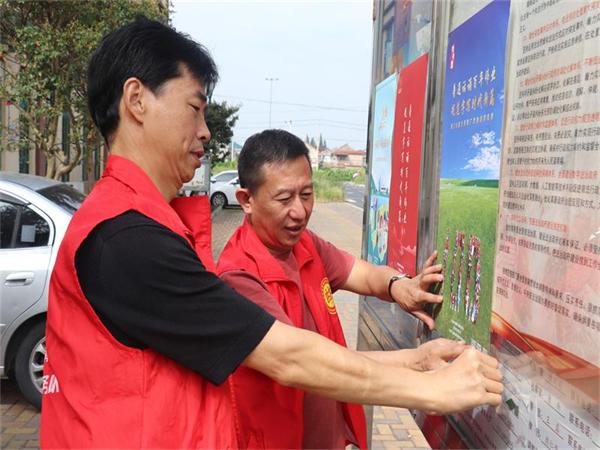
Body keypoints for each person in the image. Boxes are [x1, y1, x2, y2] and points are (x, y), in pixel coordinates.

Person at [40, 17, 503, 449]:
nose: (205, 132)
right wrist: (430, 389)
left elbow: (353, 278)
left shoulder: (142, 224)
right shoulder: (127, 239)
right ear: (137, 100)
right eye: (195, 108)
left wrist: (414, 353)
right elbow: (288, 356)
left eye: (308, 194)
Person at [215, 129, 488, 448]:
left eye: (307, 194)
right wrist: (425, 379)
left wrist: (399, 287)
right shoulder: (239, 278)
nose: (300, 212)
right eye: (284, 199)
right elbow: (304, 364)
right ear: (246, 201)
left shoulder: (305, 245)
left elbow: (360, 272)